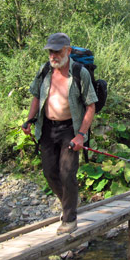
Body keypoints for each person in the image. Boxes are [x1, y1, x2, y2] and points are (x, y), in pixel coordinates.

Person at [22, 33, 98, 234]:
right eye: (50, 51)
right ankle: (71, 201)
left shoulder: (79, 73)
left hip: (70, 130)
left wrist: (81, 135)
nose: (53, 55)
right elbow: (36, 97)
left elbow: (91, 107)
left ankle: (69, 219)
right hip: (47, 128)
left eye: (57, 51)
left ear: (68, 50)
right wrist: (29, 120)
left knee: (67, 173)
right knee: (49, 172)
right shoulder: (45, 70)